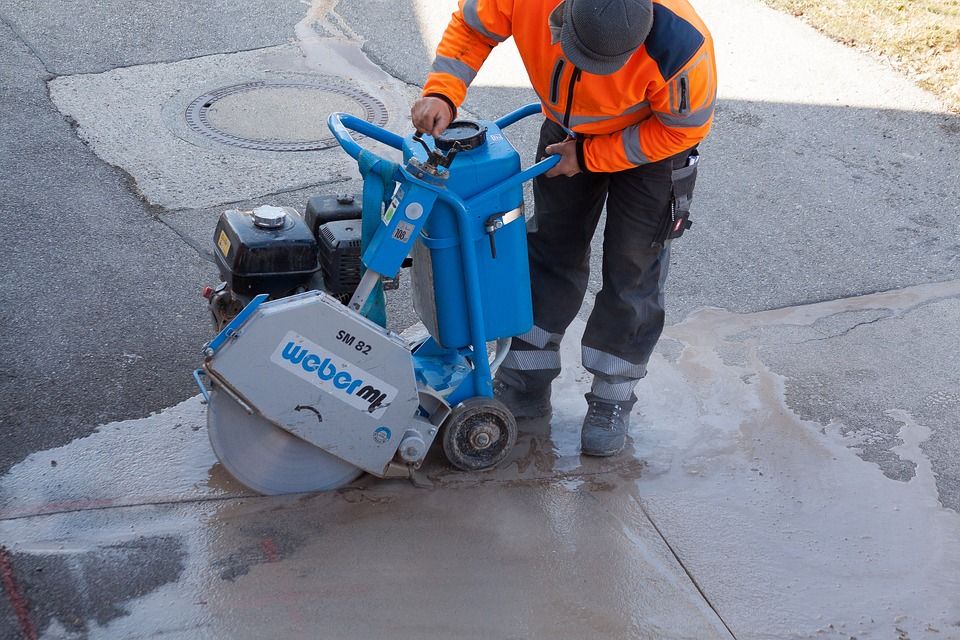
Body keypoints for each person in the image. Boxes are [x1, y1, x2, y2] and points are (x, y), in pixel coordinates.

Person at [411, 0, 717, 456]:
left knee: (634, 268)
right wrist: (443, 91)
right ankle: (526, 377)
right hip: (566, 129)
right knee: (548, 248)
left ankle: (612, 397)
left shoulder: (683, 47)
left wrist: (590, 157)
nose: (591, 71)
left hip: (652, 146)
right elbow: (474, 28)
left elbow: (682, 130)